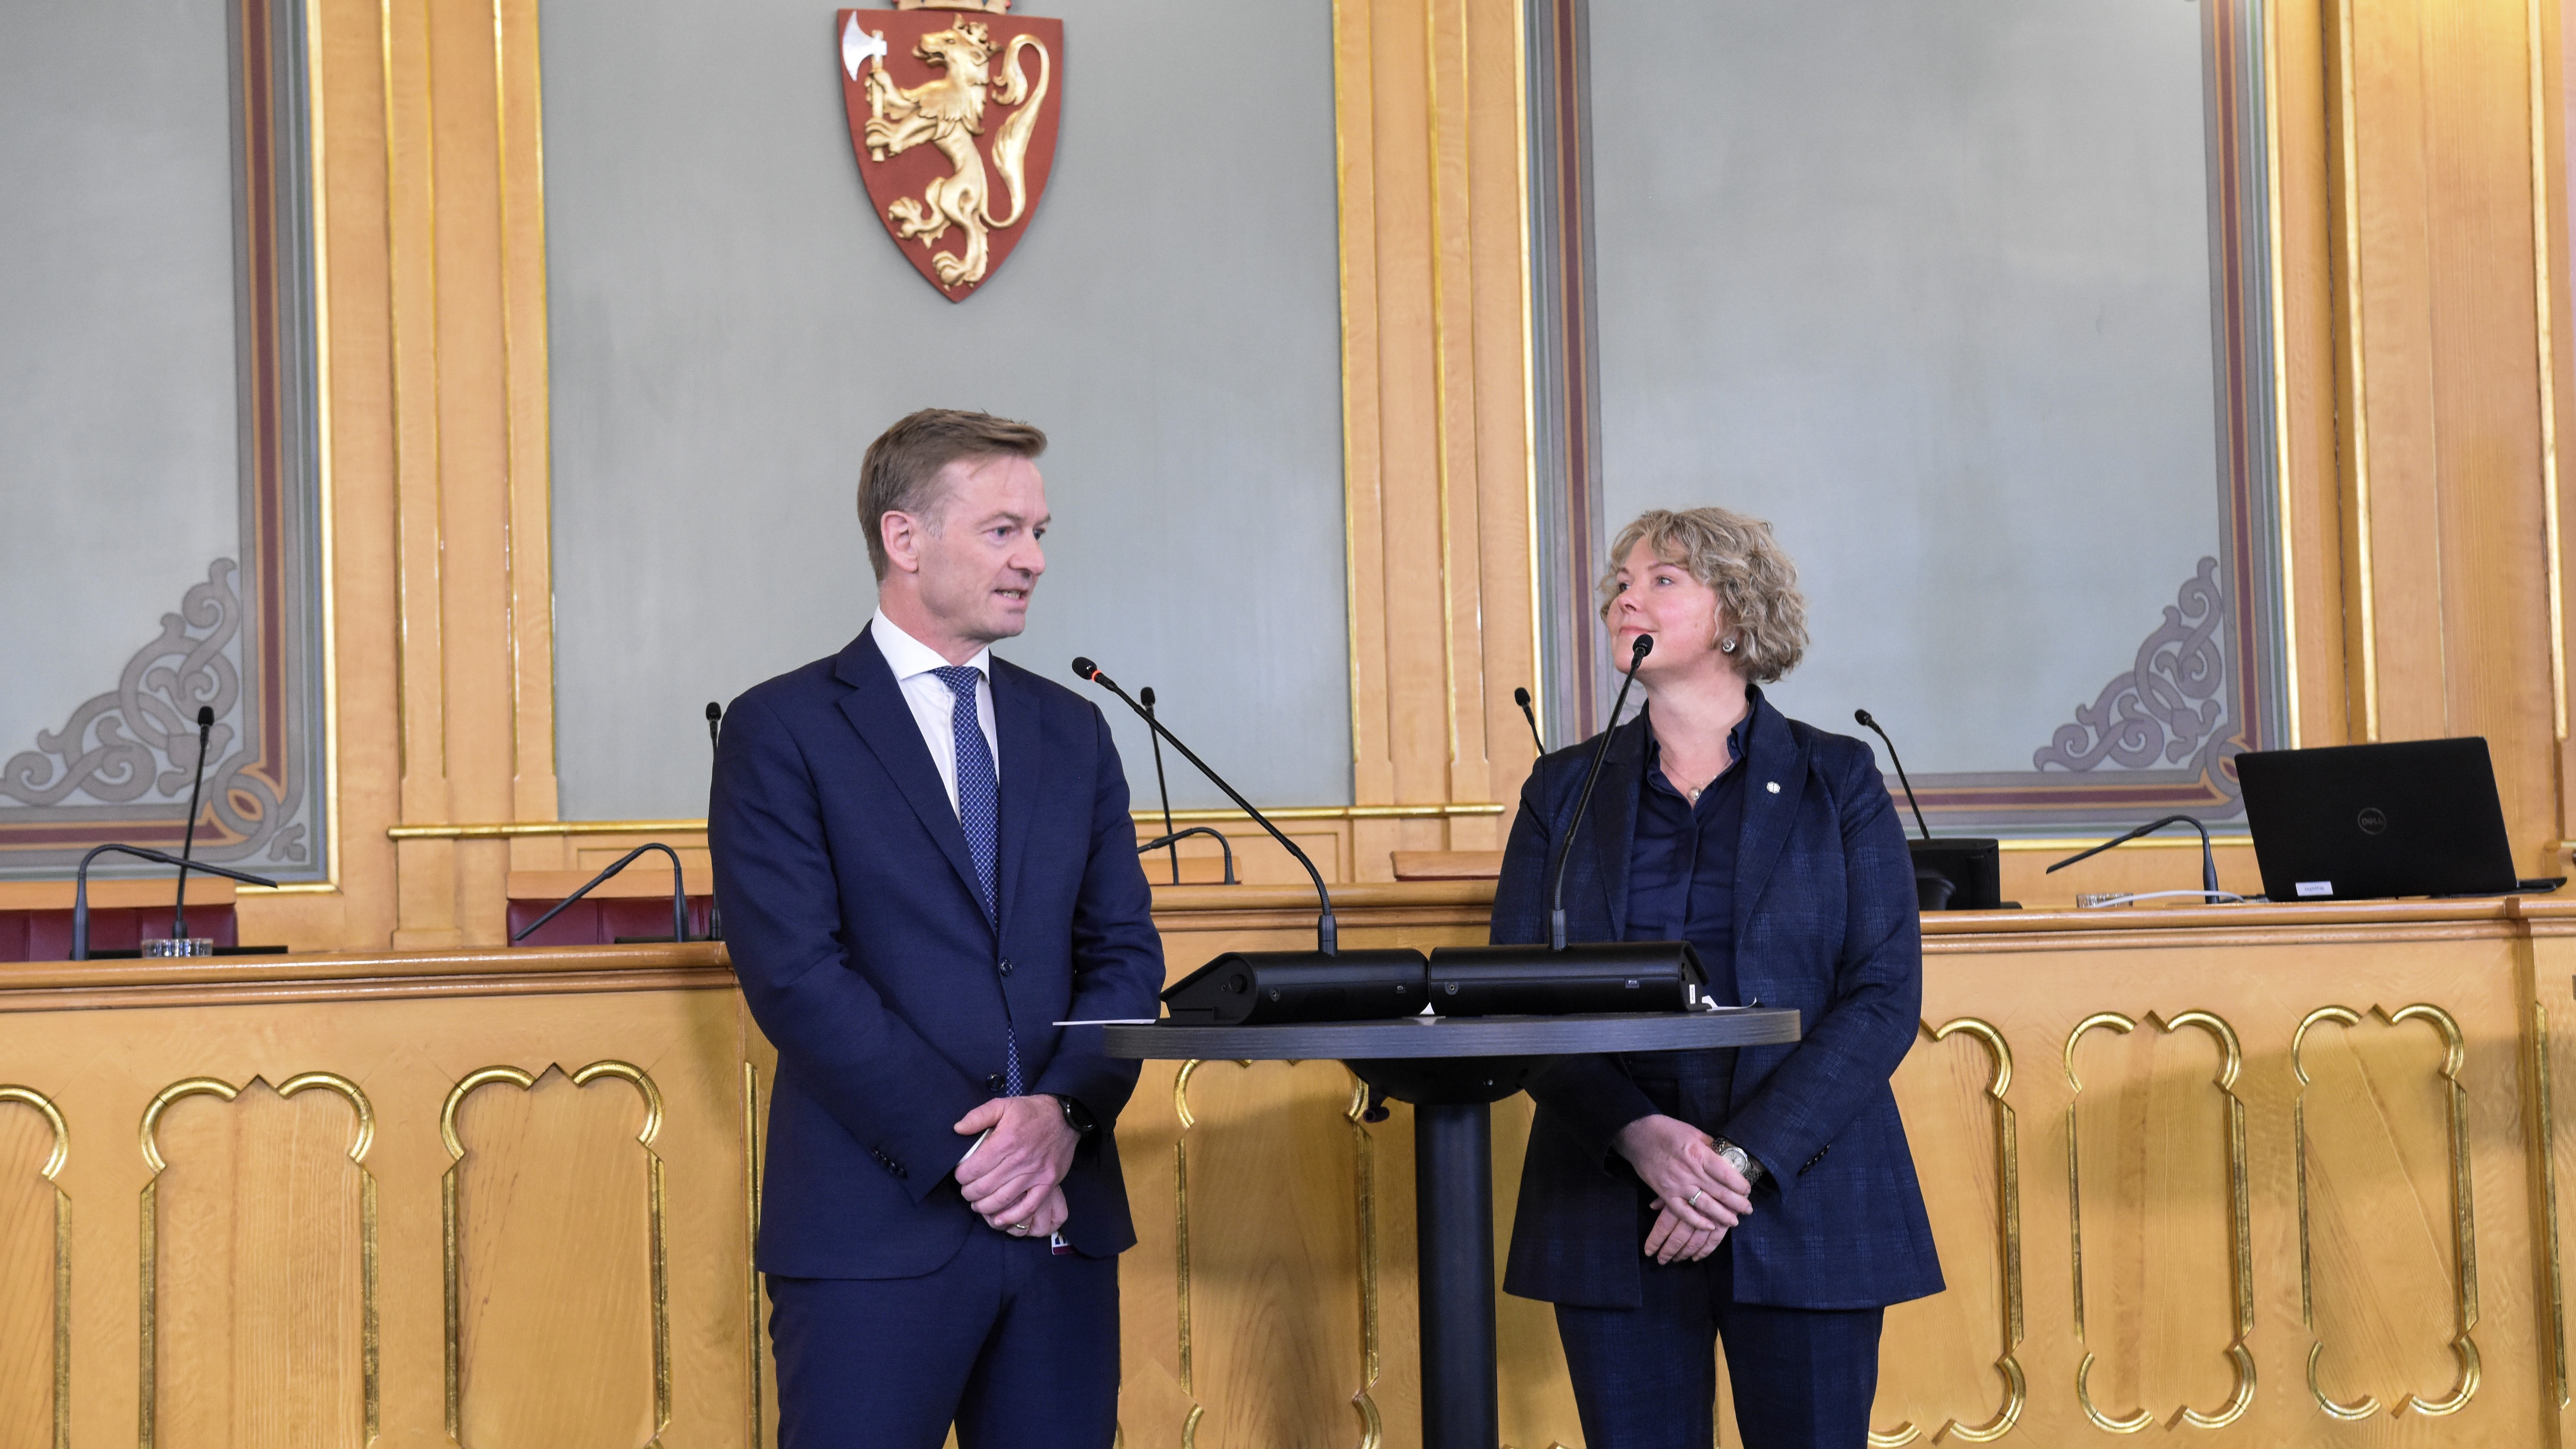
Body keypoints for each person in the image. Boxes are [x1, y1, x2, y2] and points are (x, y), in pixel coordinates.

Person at [708, 408, 1163, 1449]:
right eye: (1003, 530)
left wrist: (1060, 1114)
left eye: (1040, 531)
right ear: (905, 539)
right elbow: (796, 976)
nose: (1035, 559)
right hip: (878, 1230)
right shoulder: (783, 729)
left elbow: (1126, 954)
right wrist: (982, 1154)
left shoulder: (1073, 727)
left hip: (1061, 1220)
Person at [1495, 507, 1942, 1449]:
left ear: (1736, 611)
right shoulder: (1562, 791)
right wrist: (1642, 1138)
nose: (1626, 595)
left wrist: (1734, 1164)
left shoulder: (1839, 778)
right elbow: (1519, 991)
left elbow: (1881, 996)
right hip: (1612, 1196)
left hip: (1806, 1191)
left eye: (1662, 578)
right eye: (1622, 580)